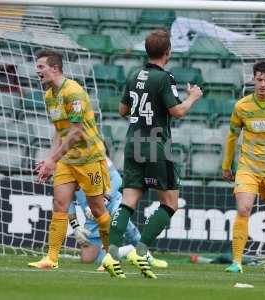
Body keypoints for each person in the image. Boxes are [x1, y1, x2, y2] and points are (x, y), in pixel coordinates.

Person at [102, 29, 203, 279]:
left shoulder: (134, 74)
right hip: (156, 144)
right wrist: (193, 97)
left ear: (147, 51)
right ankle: (141, 250)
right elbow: (177, 111)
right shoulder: (164, 78)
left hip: (133, 141)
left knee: (127, 202)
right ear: (167, 53)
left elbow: (122, 109)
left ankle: (111, 255)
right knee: (170, 203)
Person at [28, 50, 111, 269]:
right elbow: (59, 131)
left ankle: (109, 255)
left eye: (41, 67)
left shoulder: (73, 92)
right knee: (59, 203)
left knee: (97, 210)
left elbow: (75, 133)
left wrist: (52, 160)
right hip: (67, 160)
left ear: (54, 68)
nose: (37, 71)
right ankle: (51, 258)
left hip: (89, 157)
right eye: (37, 67)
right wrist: (50, 158)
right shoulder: (49, 96)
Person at [221, 61, 265, 274]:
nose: (262, 84)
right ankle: (236, 262)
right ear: (253, 79)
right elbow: (232, 136)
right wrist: (227, 164)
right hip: (248, 168)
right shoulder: (242, 106)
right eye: (259, 80)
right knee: (243, 209)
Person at [68, 157, 168, 269]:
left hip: (112, 200)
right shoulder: (66, 166)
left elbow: (117, 179)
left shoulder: (97, 155)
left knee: (122, 221)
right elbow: (66, 199)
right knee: (88, 258)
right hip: (93, 214)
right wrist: (75, 226)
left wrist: (103, 200)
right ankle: (127, 251)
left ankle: (148, 256)